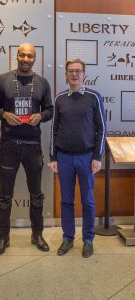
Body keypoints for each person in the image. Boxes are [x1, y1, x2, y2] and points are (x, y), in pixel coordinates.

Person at [0, 42, 53, 256]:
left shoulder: (43, 83)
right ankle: (3, 238)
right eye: (22, 55)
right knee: (5, 195)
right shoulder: (2, 80)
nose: (26, 59)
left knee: (37, 194)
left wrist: (40, 116)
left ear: (35, 58)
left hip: (33, 146)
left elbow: (50, 110)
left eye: (30, 56)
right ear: (16, 56)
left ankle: (37, 234)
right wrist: (5, 115)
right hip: (8, 145)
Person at [49, 58, 106, 258]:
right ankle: (68, 238)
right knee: (66, 201)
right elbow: (54, 130)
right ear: (66, 75)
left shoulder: (94, 97)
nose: (74, 74)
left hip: (87, 157)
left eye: (78, 71)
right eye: (71, 71)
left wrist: (97, 156)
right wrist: (53, 157)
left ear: (84, 74)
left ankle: (88, 239)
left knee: (88, 201)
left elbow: (101, 129)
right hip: (64, 158)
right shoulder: (59, 98)